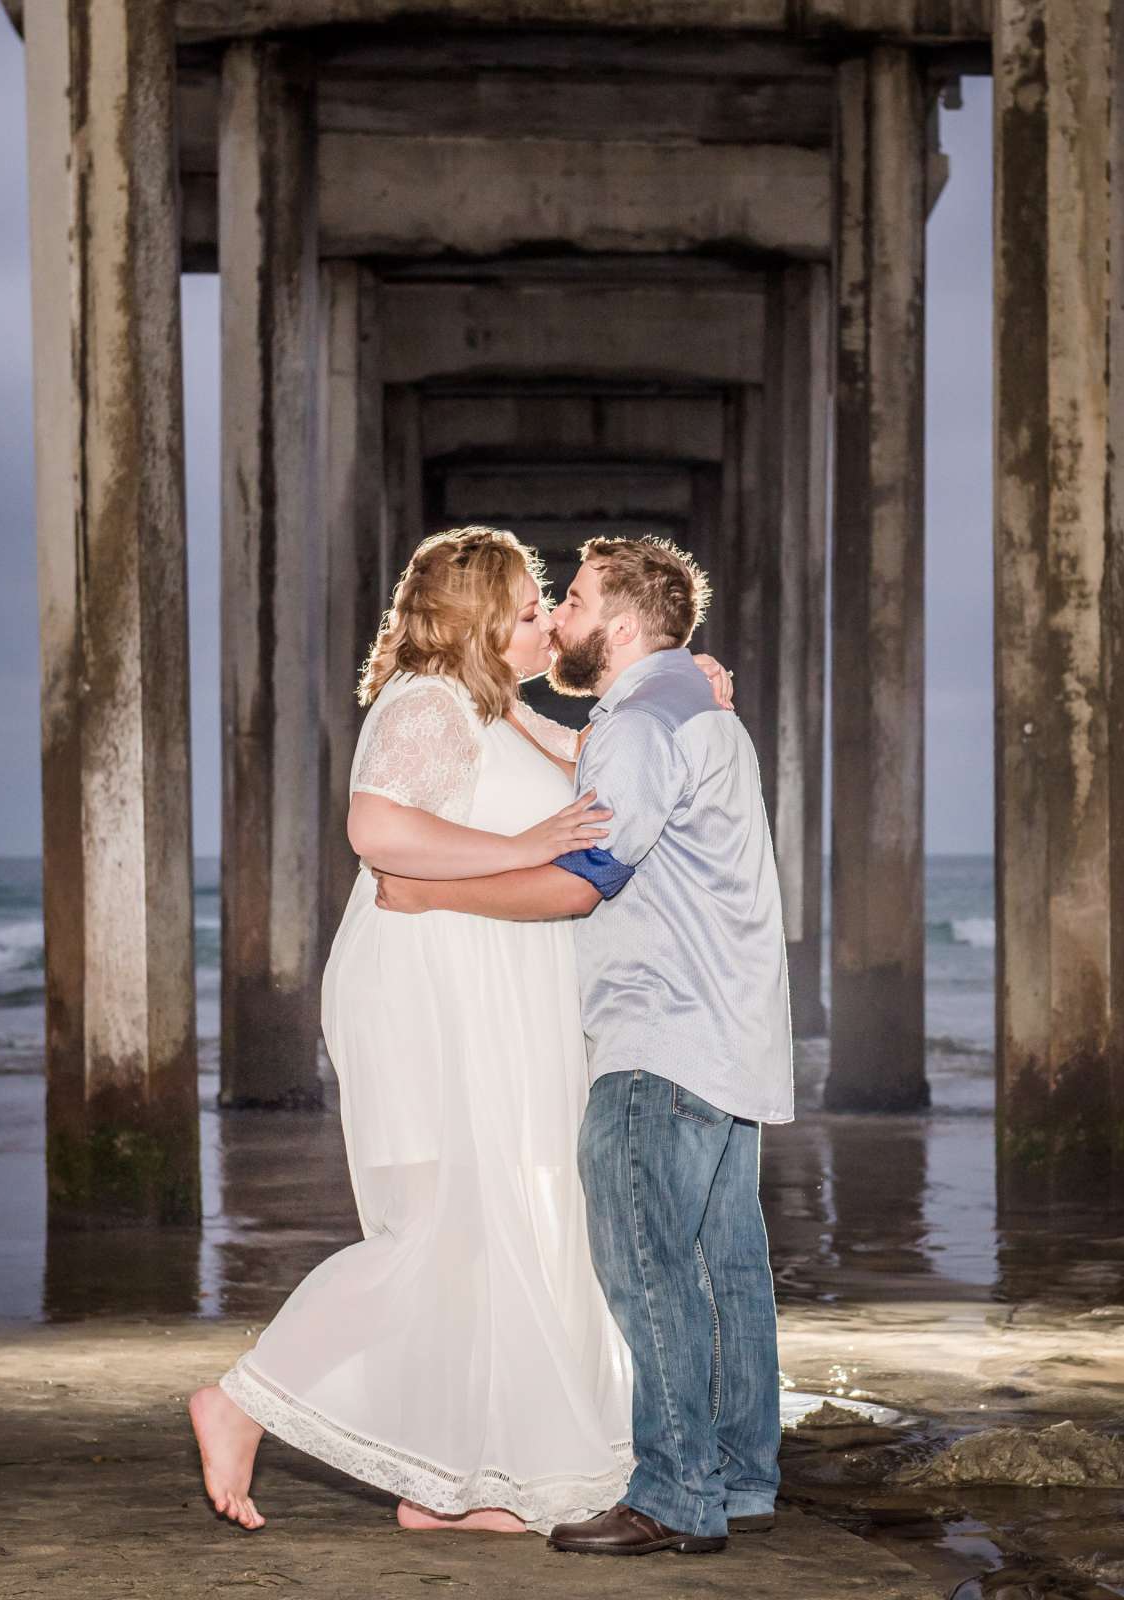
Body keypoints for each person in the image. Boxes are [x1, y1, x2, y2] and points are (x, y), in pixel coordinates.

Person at [186, 525, 737, 1537]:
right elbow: (377, 830)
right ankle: (242, 1398)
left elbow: (600, 762)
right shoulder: (428, 702)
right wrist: (520, 844)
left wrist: (679, 680)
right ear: (481, 621)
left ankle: (457, 1481)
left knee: (492, 1237)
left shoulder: (502, 712)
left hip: (492, 986)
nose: (543, 625)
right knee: (437, 1230)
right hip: (427, 990)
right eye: (529, 610)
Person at [374, 535, 793, 1558]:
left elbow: (584, 876)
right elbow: (588, 769)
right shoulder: (681, 707)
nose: (556, 616)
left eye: (574, 600)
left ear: (621, 618)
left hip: (661, 1034)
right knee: (725, 1267)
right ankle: (737, 1477)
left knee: (646, 1265)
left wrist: (431, 891)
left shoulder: (646, 720)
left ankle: (671, 1495)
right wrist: (504, 697)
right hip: (734, 1037)